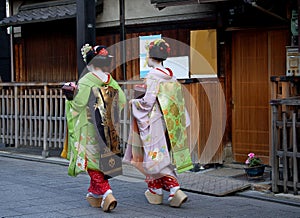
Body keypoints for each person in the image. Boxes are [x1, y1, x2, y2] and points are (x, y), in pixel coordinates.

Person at [123, 39, 193, 207]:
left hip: (155, 119)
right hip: (170, 119)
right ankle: (155, 189)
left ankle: (174, 188)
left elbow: (148, 101)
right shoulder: (170, 73)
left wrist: (134, 103)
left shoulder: (153, 75)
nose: (146, 57)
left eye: (147, 54)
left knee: (156, 155)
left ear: (151, 56)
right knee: (159, 153)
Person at [62, 44, 126, 212]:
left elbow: (79, 104)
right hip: (107, 128)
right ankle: (94, 194)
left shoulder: (87, 80)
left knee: (92, 162)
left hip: (91, 128)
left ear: (89, 62)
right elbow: (123, 100)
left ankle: (107, 193)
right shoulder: (110, 80)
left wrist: (70, 96)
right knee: (102, 160)